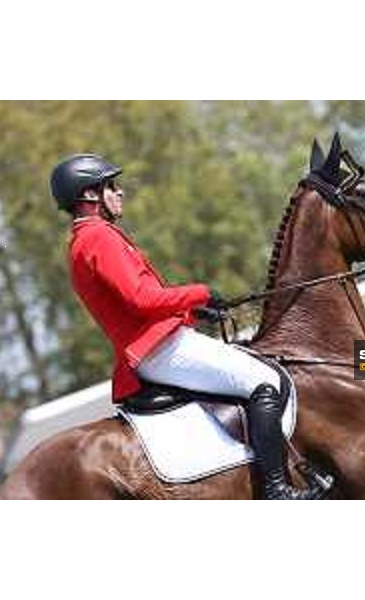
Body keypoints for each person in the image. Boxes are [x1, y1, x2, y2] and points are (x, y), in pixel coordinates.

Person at [50, 153, 322, 500]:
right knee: (263, 381)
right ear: (90, 195)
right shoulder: (97, 238)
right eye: (111, 187)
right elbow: (141, 298)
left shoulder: (87, 239)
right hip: (157, 351)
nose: (120, 193)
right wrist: (200, 292)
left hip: (157, 344)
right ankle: (277, 491)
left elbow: (137, 307)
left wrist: (194, 313)